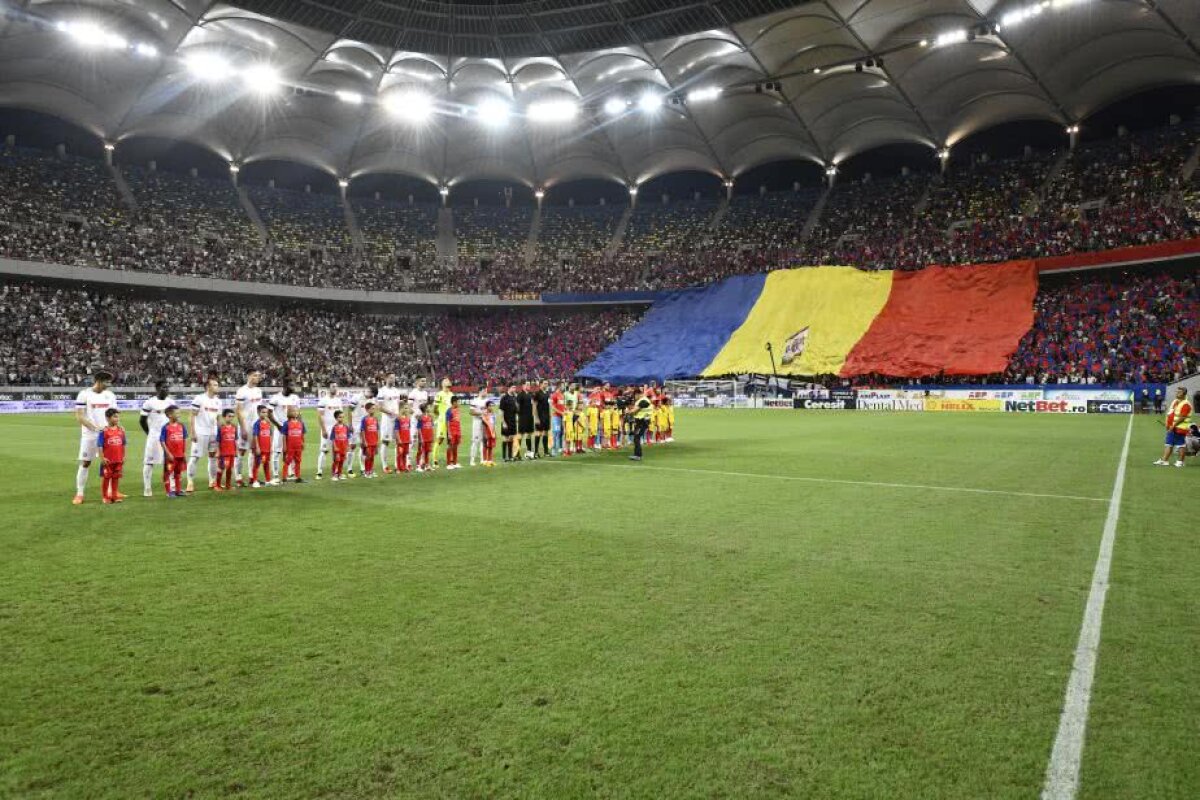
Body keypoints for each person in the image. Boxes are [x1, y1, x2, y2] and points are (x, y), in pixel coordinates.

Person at [73, 369, 117, 505]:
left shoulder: (110, 395)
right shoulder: (84, 394)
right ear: (98, 381)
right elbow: (79, 416)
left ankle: (110, 492)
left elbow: (114, 414)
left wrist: (116, 428)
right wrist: (95, 428)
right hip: (90, 435)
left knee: (110, 463)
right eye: (106, 382)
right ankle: (79, 494)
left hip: (107, 435)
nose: (108, 385)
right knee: (86, 463)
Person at [187, 376, 224, 493]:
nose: (217, 387)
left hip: (213, 433)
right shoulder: (199, 399)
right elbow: (192, 415)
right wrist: (192, 432)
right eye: (215, 385)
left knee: (213, 457)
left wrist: (220, 433)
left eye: (217, 385)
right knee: (195, 457)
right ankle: (190, 482)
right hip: (200, 432)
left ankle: (212, 481)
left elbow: (218, 418)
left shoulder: (218, 401)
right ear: (208, 387)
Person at [139, 380, 174, 497]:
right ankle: (147, 488)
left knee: (169, 462)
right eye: (164, 387)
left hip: (168, 437)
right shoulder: (149, 402)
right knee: (149, 463)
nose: (167, 389)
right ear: (158, 388)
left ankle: (170, 486)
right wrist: (150, 433)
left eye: (168, 387)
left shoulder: (171, 402)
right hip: (154, 437)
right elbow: (142, 420)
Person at [234, 369, 264, 486]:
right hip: (245, 425)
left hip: (256, 425)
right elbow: (239, 410)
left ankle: (252, 476)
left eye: (258, 375)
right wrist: (242, 428)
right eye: (255, 375)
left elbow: (259, 409)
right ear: (249, 376)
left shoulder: (258, 391)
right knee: (241, 451)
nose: (257, 377)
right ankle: (238, 477)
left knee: (254, 451)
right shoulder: (241, 391)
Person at [267, 380, 300, 480]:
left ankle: (291, 473)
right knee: (277, 451)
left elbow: (299, 413)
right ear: (285, 386)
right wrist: (278, 425)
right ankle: (276, 475)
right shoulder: (276, 398)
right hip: (280, 428)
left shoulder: (295, 398)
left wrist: (299, 426)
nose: (294, 387)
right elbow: (269, 413)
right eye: (291, 385)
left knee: (292, 452)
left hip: (292, 429)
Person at [1155, 386, 1192, 467]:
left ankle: (1180, 462)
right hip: (1172, 427)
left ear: (1184, 394)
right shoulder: (1175, 401)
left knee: (1180, 445)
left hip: (1180, 428)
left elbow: (1182, 417)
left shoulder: (1186, 404)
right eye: (1177, 391)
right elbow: (1171, 413)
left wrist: (1173, 425)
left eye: (1180, 392)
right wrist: (1168, 424)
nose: (1177, 393)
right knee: (1168, 444)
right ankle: (1164, 460)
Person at [346, 383, 378, 478]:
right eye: (371, 394)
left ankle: (363, 469)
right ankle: (349, 469)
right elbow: (349, 410)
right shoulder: (357, 397)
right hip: (355, 425)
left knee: (364, 447)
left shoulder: (372, 399)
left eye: (373, 396)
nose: (371, 397)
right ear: (368, 390)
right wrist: (350, 424)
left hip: (366, 426)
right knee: (352, 446)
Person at [97, 408, 127, 505]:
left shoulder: (121, 430)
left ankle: (114, 496)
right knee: (106, 478)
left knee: (116, 478)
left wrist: (124, 456)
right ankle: (105, 497)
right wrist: (102, 458)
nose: (117, 419)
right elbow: (100, 445)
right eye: (115, 417)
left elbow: (123, 444)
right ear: (108, 418)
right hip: (108, 460)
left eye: (118, 417)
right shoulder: (104, 431)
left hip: (118, 459)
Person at [159, 405, 189, 498]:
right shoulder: (166, 427)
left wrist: (184, 452)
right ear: (169, 415)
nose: (179, 415)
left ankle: (178, 490)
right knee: (167, 473)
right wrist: (168, 453)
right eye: (177, 413)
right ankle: (168, 491)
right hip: (170, 456)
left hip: (180, 454)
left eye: (179, 413)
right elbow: (162, 441)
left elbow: (185, 439)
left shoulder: (181, 426)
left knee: (178, 472)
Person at [316, 383, 344, 480]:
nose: (335, 388)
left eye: (336, 386)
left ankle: (336, 472)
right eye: (333, 386)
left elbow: (341, 415)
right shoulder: (323, 400)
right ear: (329, 388)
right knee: (324, 450)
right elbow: (320, 415)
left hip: (336, 429)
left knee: (336, 451)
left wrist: (341, 428)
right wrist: (323, 429)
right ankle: (319, 472)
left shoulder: (338, 400)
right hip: (327, 428)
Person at [377, 373, 403, 474]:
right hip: (387, 420)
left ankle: (397, 464)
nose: (393, 379)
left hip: (396, 419)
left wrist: (400, 408)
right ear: (386, 378)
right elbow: (379, 406)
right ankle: (385, 466)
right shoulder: (382, 391)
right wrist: (390, 412)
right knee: (385, 442)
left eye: (394, 377)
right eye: (391, 378)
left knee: (398, 441)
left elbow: (397, 404)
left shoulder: (397, 391)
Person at [407, 377, 430, 469]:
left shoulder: (425, 393)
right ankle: (408, 462)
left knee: (422, 442)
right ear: (417, 382)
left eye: (425, 381)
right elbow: (409, 406)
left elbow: (425, 407)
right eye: (422, 381)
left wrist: (426, 416)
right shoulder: (413, 393)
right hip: (415, 420)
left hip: (423, 420)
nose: (424, 382)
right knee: (412, 441)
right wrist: (416, 415)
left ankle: (420, 462)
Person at [431, 377, 455, 469]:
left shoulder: (451, 394)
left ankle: (450, 460)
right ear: (443, 384)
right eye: (447, 384)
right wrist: (440, 416)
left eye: (449, 384)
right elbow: (435, 408)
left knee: (450, 440)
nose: (449, 385)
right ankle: (434, 460)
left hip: (450, 420)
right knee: (440, 439)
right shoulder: (439, 394)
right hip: (442, 420)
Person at [250, 405, 275, 487]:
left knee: (266, 464)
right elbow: (255, 436)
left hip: (267, 447)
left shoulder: (268, 423)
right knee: (257, 464)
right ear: (258, 413)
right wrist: (257, 447)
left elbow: (270, 434)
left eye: (266, 412)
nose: (265, 414)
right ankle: (254, 481)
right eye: (263, 412)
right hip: (260, 448)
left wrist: (271, 446)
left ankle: (268, 480)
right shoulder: (257, 424)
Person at [279, 407, 307, 482]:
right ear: (289, 413)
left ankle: (298, 477)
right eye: (293, 411)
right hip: (290, 446)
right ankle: (284, 477)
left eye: (296, 411)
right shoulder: (286, 423)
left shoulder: (301, 423)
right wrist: (284, 445)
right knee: (287, 461)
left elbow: (302, 434)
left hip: (298, 446)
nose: (295, 413)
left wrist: (303, 442)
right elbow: (284, 435)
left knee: (298, 461)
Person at [215, 409, 240, 491]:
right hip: (223, 453)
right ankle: (217, 485)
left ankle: (228, 485)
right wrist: (218, 451)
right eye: (229, 416)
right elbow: (218, 441)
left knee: (229, 469)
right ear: (224, 417)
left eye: (232, 416)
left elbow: (235, 440)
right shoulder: (221, 428)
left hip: (231, 452)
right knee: (221, 468)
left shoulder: (234, 427)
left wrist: (236, 450)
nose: (231, 418)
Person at [359, 401, 381, 478]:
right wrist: (364, 441)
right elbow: (362, 430)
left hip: (374, 441)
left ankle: (371, 470)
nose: (373, 410)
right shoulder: (364, 419)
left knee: (372, 456)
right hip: (368, 442)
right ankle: (366, 471)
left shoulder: (375, 419)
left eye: (374, 409)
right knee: (368, 456)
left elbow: (377, 430)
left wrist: (378, 440)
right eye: (372, 409)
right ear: (367, 410)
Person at [630, 388, 653, 461]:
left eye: (635, 395)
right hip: (641, 422)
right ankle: (637, 454)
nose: (634, 397)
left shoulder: (643, 401)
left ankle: (638, 455)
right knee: (636, 437)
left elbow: (635, 410)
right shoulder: (643, 400)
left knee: (636, 437)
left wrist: (628, 412)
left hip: (642, 422)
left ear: (637, 394)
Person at [468, 386, 489, 466]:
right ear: (480, 391)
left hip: (485, 422)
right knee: (475, 440)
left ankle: (482, 459)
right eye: (485, 391)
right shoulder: (475, 400)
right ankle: (472, 460)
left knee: (484, 440)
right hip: (477, 421)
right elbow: (471, 412)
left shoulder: (487, 401)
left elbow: (489, 411)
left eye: (486, 391)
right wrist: (481, 413)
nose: (486, 392)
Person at [328, 410, 351, 481]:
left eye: (343, 417)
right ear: (336, 418)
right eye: (340, 417)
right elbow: (333, 438)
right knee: (336, 461)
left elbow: (347, 437)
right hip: (337, 447)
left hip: (344, 447)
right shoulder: (334, 427)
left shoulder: (346, 427)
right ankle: (334, 475)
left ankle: (340, 474)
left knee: (342, 461)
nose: (341, 419)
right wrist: (335, 446)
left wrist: (348, 446)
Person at [499, 385, 519, 462]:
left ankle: (510, 456)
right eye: (513, 388)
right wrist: (503, 422)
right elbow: (501, 411)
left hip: (513, 421)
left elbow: (517, 410)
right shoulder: (504, 398)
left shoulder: (514, 398)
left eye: (515, 388)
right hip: (506, 421)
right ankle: (504, 457)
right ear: (509, 388)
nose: (514, 389)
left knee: (511, 438)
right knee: (505, 438)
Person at [517, 381, 534, 459]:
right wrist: (518, 416)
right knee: (521, 435)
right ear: (523, 386)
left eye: (529, 385)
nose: (529, 386)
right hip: (522, 418)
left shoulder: (530, 395)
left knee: (529, 435)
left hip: (530, 418)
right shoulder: (520, 395)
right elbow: (517, 407)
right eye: (527, 385)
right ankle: (517, 453)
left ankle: (529, 453)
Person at [444, 395, 463, 470]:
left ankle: (455, 463)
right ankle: (448, 463)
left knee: (456, 447)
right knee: (450, 446)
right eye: (458, 402)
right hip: (451, 431)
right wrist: (448, 433)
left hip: (457, 431)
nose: (459, 403)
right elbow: (447, 422)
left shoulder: (458, 409)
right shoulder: (449, 410)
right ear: (454, 402)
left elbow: (458, 421)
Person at [533, 380, 551, 457]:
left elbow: (548, 405)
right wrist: (536, 417)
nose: (546, 385)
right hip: (540, 416)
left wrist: (549, 415)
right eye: (545, 383)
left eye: (547, 383)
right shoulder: (537, 393)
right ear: (540, 384)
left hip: (546, 416)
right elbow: (534, 405)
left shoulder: (547, 393)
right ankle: (536, 452)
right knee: (539, 433)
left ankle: (546, 452)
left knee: (546, 433)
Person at [416, 403, 435, 471]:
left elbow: (431, 427)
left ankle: (427, 465)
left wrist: (432, 436)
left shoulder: (430, 417)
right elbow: (418, 428)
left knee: (427, 452)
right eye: (428, 407)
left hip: (429, 437)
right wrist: (421, 437)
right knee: (422, 451)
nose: (430, 408)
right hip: (423, 437)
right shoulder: (421, 417)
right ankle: (419, 466)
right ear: (425, 409)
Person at [550, 382, 566, 456]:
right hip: (556, 417)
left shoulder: (562, 395)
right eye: (563, 386)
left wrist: (565, 412)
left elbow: (563, 406)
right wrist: (561, 412)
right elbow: (552, 407)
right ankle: (554, 449)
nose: (564, 387)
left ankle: (560, 448)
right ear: (559, 386)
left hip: (562, 416)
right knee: (556, 432)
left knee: (561, 432)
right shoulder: (554, 395)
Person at [395, 405, 412, 473]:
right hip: (401, 440)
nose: (406, 410)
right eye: (405, 408)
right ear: (401, 409)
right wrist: (399, 439)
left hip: (407, 440)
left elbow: (408, 429)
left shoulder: (408, 419)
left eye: (407, 408)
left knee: (405, 454)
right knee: (400, 454)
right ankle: (398, 468)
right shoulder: (398, 419)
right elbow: (396, 430)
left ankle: (404, 467)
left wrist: (409, 438)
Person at [481, 399, 497, 467]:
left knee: (491, 446)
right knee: (485, 445)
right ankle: (484, 461)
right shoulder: (484, 414)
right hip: (487, 432)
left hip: (492, 432)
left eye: (492, 406)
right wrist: (484, 433)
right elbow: (483, 424)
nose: (491, 407)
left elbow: (494, 424)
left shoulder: (493, 414)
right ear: (487, 407)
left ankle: (490, 460)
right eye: (490, 406)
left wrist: (495, 432)